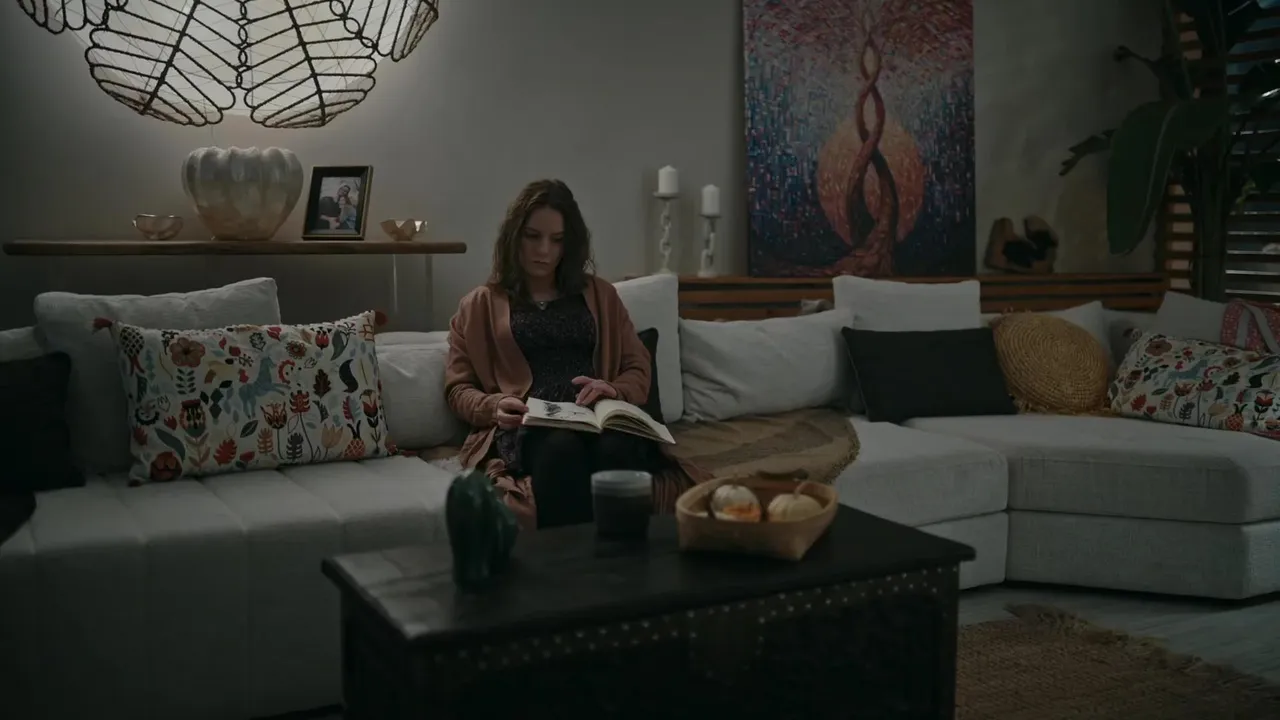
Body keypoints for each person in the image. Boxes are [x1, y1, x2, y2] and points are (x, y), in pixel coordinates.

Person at [444, 179, 658, 529]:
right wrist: (493, 406)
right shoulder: (479, 305)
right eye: (533, 236)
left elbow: (637, 367)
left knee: (617, 449)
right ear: (514, 236)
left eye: (557, 240)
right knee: (561, 448)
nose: (544, 250)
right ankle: (568, 560)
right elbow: (457, 388)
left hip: (597, 420)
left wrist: (613, 390)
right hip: (534, 427)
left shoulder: (601, 295)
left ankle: (626, 560)